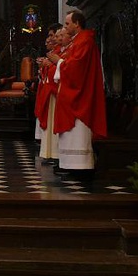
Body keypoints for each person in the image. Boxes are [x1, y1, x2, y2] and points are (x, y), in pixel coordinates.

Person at [47, 10, 107, 178]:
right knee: (71, 133)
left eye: (67, 24)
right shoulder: (77, 41)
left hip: (80, 94)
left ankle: (80, 167)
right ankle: (70, 165)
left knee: (78, 131)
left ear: (77, 24)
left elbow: (76, 68)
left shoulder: (85, 41)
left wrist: (57, 61)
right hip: (70, 92)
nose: (65, 27)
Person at [34, 23, 63, 164]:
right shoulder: (57, 52)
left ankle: (55, 153)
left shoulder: (61, 51)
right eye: (52, 36)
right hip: (50, 90)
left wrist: (49, 65)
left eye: (55, 36)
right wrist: (44, 66)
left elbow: (65, 66)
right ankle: (50, 152)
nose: (52, 40)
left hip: (56, 92)